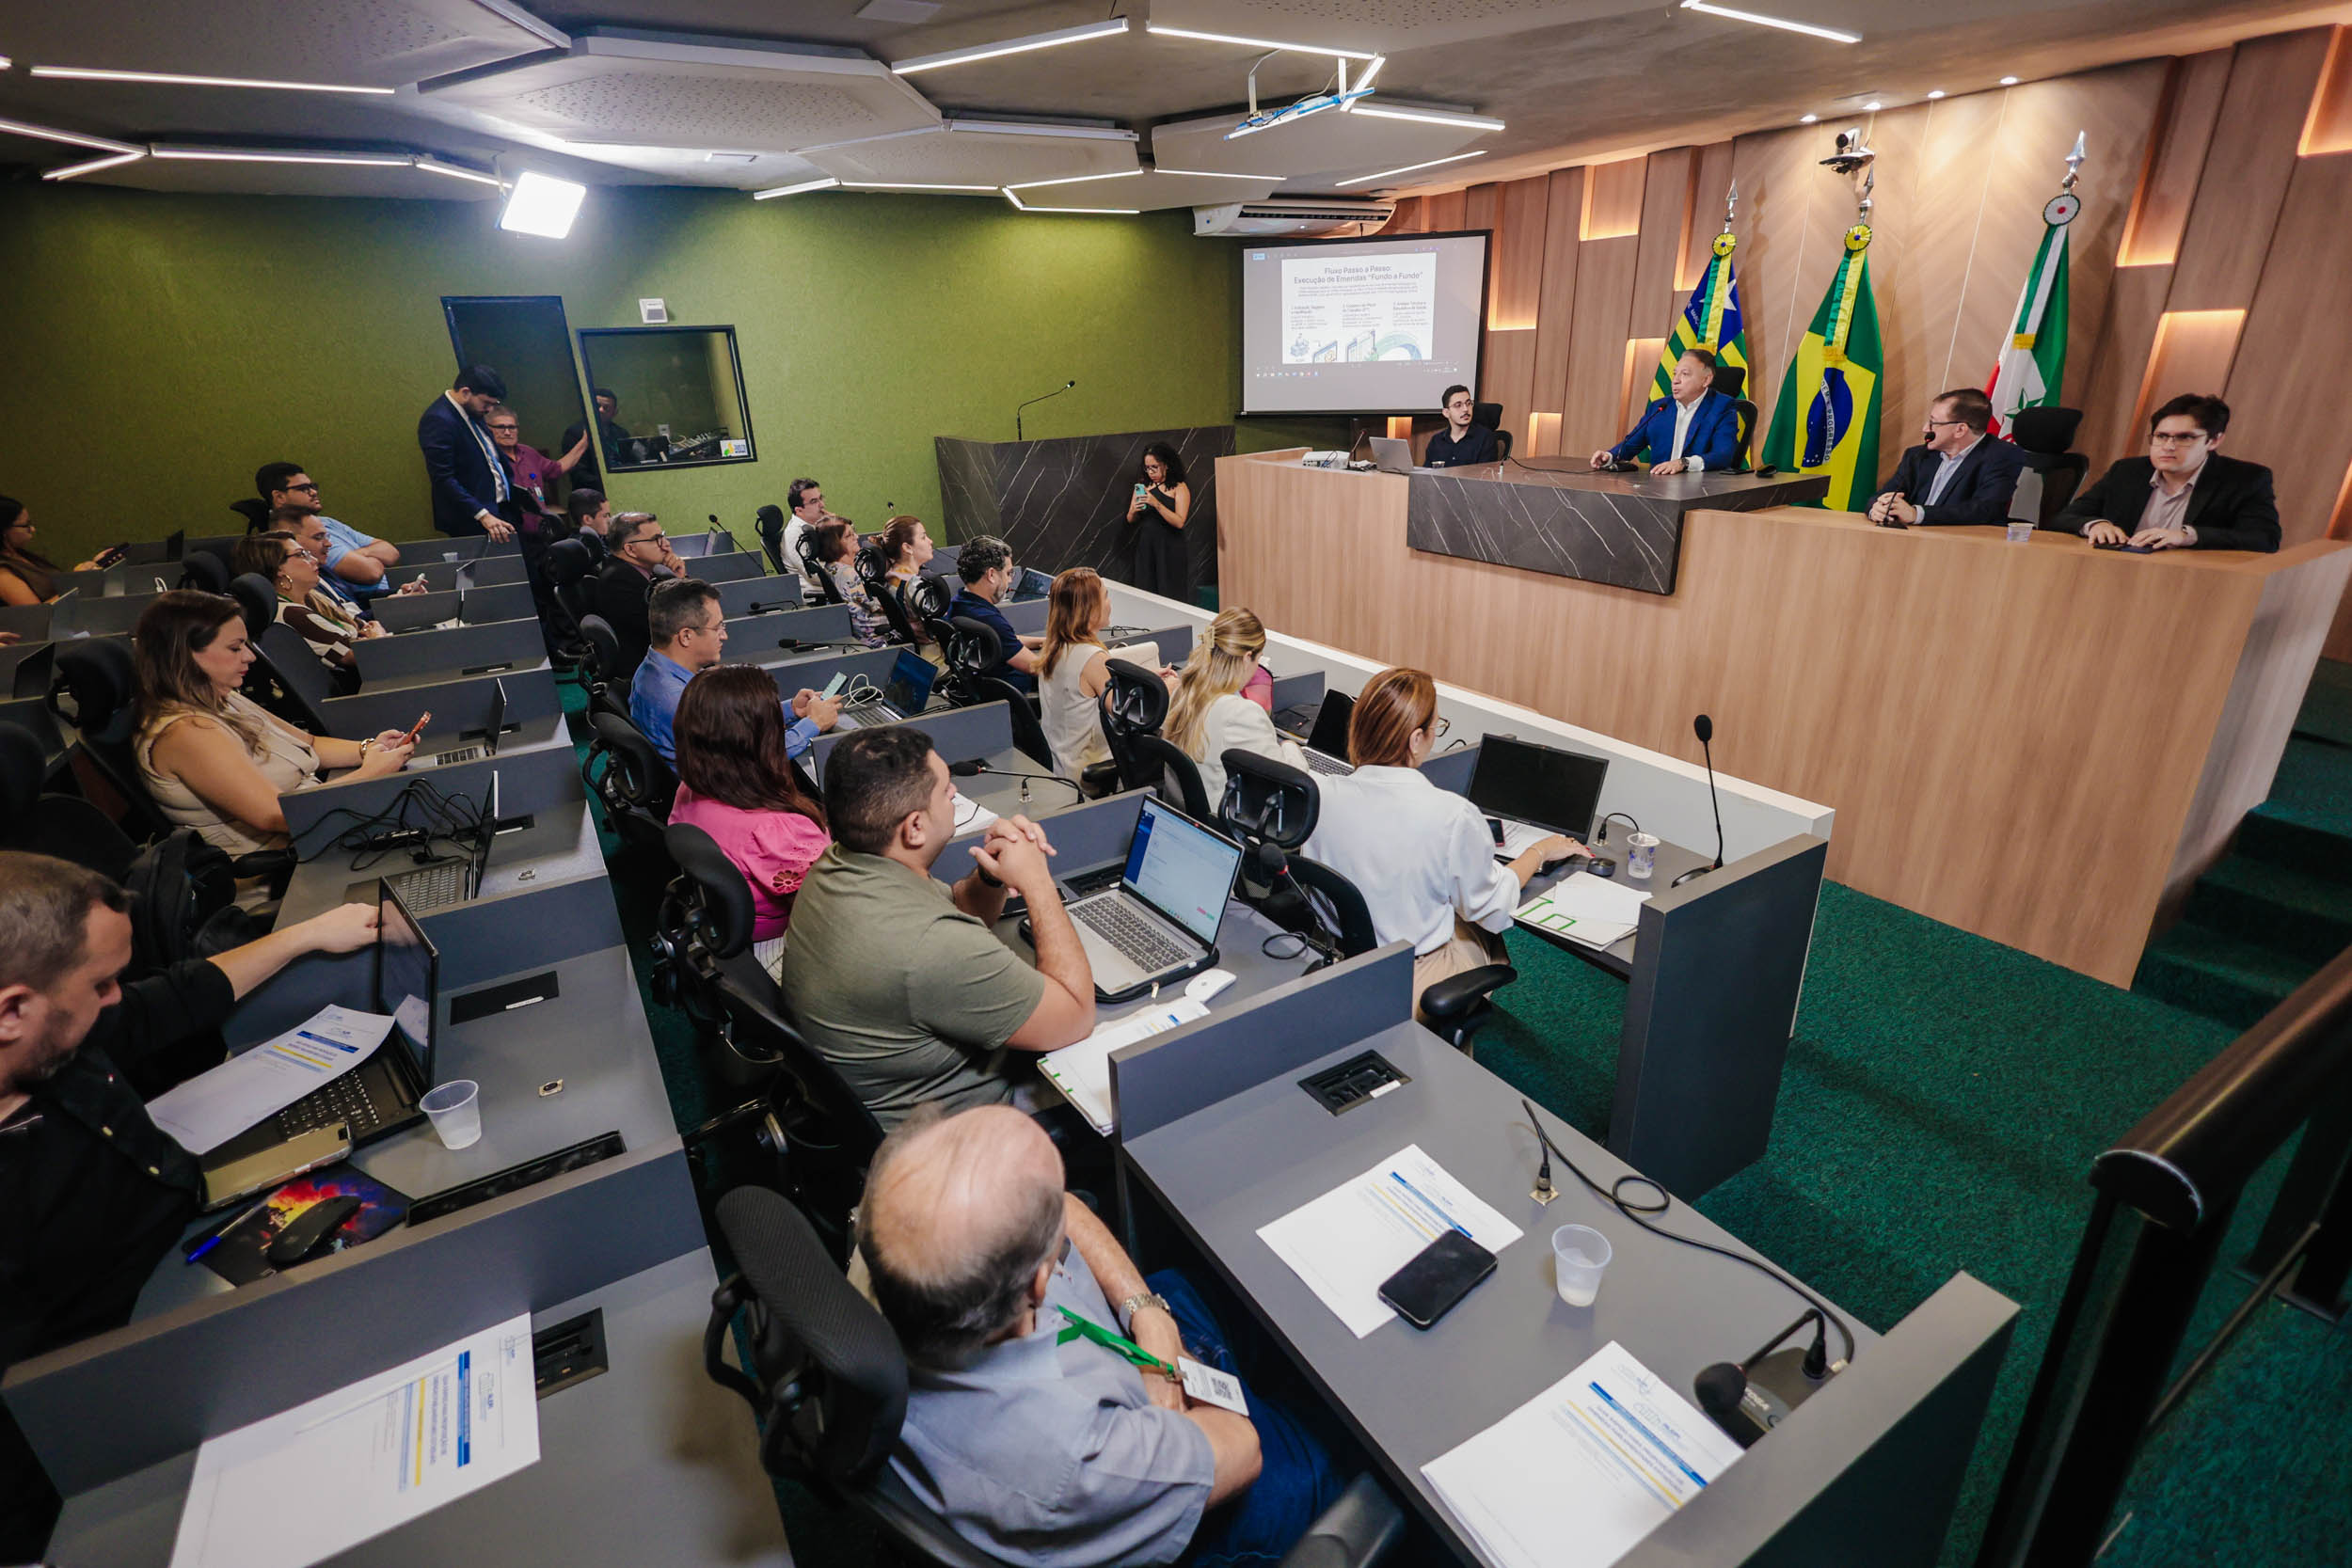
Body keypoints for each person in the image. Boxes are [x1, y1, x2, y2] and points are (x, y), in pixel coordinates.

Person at [0, 852, 389, 1560]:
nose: (116, 999)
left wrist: (305, 935)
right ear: (12, 1011)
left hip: (202, 1257)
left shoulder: (52, 1035)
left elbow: (169, 1001)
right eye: (101, 983)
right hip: (143, 1394)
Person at [860, 1103, 1342, 1568]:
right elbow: (1243, 1449)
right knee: (1338, 1450)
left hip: (1129, 1345)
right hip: (1170, 1469)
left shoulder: (896, 1247)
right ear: (1038, 1283)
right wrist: (1175, 1368)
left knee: (1252, 1283)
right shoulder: (1078, 1456)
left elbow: (1067, 1209)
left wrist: (1149, 1316)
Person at [781, 725, 1094, 1129]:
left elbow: (960, 910)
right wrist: (1038, 882)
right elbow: (1075, 1018)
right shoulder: (928, 946)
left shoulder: (842, 862)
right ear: (914, 828)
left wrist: (992, 876)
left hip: (885, 1095)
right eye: (946, 790)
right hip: (956, 1133)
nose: (955, 794)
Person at [1304, 669, 1578, 1021]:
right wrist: (1538, 852)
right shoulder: (1451, 815)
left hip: (1335, 953)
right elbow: (1492, 907)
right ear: (1416, 739)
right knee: (1482, 930)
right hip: (1407, 974)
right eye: (1436, 727)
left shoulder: (1319, 793)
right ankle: (1450, 1039)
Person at [132, 592, 412, 862]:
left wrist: (369, 749)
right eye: (235, 648)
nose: (249, 656)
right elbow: (280, 815)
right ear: (186, 655)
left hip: (319, 830)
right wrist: (370, 773)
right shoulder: (187, 733)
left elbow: (310, 743)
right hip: (287, 864)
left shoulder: (220, 697)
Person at [668, 666, 834, 981]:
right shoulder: (776, 832)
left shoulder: (688, 789)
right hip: (776, 946)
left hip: (724, 931)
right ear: (762, 741)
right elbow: (833, 914)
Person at [629, 578, 836, 765]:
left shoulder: (654, 670)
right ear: (686, 636)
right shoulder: (677, 700)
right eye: (717, 628)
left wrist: (790, 710)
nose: (724, 636)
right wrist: (813, 723)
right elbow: (753, 755)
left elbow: (734, 725)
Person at [2056, 392, 2280, 553]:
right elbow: (2065, 518)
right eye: (2162, 436)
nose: (2169, 446)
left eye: (2185, 438)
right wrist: (2096, 525)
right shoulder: (2126, 472)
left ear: (2214, 441)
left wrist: (2186, 536)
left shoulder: (2245, 479)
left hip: (2188, 582)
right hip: (2115, 572)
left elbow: (2265, 539)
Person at [1164, 608, 1302, 806]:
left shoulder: (1182, 693)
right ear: (1247, 657)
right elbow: (1289, 782)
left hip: (1184, 812)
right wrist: (1290, 747)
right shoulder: (1241, 713)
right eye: (1258, 659)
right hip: (1223, 818)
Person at [1866, 388, 2028, 528]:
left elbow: (1984, 509)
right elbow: (1883, 495)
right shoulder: (1917, 455)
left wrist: (1917, 514)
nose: (1925, 428)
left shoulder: (2002, 456)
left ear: (1960, 430)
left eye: (1933, 423)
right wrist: (1877, 509)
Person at [253, 463, 413, 604]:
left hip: (375, 604)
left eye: (313, 486)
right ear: (279, 497)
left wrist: (397, 593)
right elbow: (371, 572)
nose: (313, 492)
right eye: (303, 489)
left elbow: (391, 552)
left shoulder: (326, 522)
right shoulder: (294, 539)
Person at [232, 531, 381, 679]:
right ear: (278, 568)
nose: (314, 560)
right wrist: (377, 636)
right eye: (301, 555)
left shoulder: (312, 597)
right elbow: (366, 656)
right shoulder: (292, 614)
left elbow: (362, 626)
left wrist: (371, 636)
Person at [1037, 567, 1126, 783]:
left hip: (1058, 766)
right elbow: (1125, 712)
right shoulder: (1093, 658)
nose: (1109, 603)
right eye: (1105, 596)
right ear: (1090, 609)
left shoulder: (1055, 647)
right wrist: (1165, 688)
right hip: (1084, 775)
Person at [1592, 347, 1742, 475]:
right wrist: (1609, 456)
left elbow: (1723, 455)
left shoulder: (1722, 407)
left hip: (1699, 489)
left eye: (1685, 374)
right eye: (1675, 373)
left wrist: (1684, 463)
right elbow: (1631, 444)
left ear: (1706, 380)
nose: (1675, 380)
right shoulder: (1660, 407)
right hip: (1658, 486)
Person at [416, 365, 517, 541]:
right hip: (474, 518)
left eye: (494, 404)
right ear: (465, 392)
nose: (490, 410)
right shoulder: (438, 419)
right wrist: (482, 515)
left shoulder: (473, 411)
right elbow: (443, 478)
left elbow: (489, 457)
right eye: (486, 403)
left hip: (501, 508)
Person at [948, 535, 1042, 694]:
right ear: (991, 574)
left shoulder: (960, 603)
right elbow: (1037, 668)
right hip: (1016, 693)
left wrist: (1043, 642)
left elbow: (1003, 640)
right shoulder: (988, 619)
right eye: (1008, 573)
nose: (1010, 581)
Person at [593, 513, 683, 678]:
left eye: (663, 536)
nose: (666, 544)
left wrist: (676, 578)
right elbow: (669, 628)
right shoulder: (618, 581)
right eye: (656, 539)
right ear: (630, 549)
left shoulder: (633, 571)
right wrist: (679, 583)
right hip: (649, 670)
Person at [485, 405, 589, 525]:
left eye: (512, 427)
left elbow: (557, 468)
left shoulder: (528, 453)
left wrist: (585, 441)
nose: (507, 432)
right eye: (500, 427)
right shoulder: (486, 458)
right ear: (488, 429)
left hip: (540, 527)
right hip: (507, 528)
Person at [0, 497, 103, 608]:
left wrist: (90, 568)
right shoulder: (3, 574)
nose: (32, 529)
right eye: (26, 525)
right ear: (4, 530)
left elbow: (54, 589)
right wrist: (79, 582)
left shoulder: (19, 554)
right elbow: (36, 613)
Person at [1125, 443, 1194, 600]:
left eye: (1154, 467)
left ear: (1166, 465)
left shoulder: (1179, 487)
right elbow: (1130, 519)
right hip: (1146, 545)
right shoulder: (1143, 486)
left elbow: (1180, 522)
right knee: (1145, 589)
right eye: (1147, 468)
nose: (1150, 472)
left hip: (1170, 546)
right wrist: (1133, 510)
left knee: (1170, 590)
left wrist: (1156, 504)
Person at [815, 520, 890, 647]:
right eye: (849, 535)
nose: (857, 537)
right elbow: (876, 607)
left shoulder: (832, 567)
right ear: (835, 543)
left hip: (856, 629)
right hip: (871, 635)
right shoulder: (848, 574)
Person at [561, 388, 630, 495]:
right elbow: (578, 474)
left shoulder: (622, 433)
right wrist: (610, 483)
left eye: (606, 408)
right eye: (597, 406)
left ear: (614, 412)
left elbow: (630, 463)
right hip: (590, 493)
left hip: (623, 488)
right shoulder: (574, 433)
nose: (600, 410)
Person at [1423, 384, 1500, 467]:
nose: (1466, 409)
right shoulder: (1436, 441)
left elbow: (1484, 473)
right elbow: (1426, 472)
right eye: (1458, 405)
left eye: (1468, 403)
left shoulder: (1485, 438)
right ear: (1446, 413)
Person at [782, 477, 829, 595]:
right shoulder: (795, 534)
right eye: (814, 501)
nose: (822, 505)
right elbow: (815, 576)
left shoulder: (817, 524)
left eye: (821, 498)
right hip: (820, 593)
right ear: (799, 510)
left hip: (834, 584)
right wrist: (848, 573)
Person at [881, 514, 935, 597]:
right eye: (923, 537)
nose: (930, 541)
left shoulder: (895, 576)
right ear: (907, 548)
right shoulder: (913, 588)